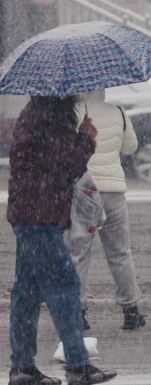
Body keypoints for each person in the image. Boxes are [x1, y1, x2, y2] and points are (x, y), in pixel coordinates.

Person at [7, 95, 117, 385]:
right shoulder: (50, 117)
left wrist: (78, 135)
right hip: (39, 216)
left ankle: (22, 368)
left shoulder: (36, 114)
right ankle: (78, 364)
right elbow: (66, 163)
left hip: (30, 213)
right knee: (64, 284)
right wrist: (86, 139)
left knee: (27, 292)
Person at [67, 89, 146, 331]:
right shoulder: (119, 112)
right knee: (120, 253)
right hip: (113, 190)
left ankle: (78, 313)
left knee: (79, 252)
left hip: (85, 190)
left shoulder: (77, 111)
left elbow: (68, 148)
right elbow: (130, 147)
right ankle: (131, 310)